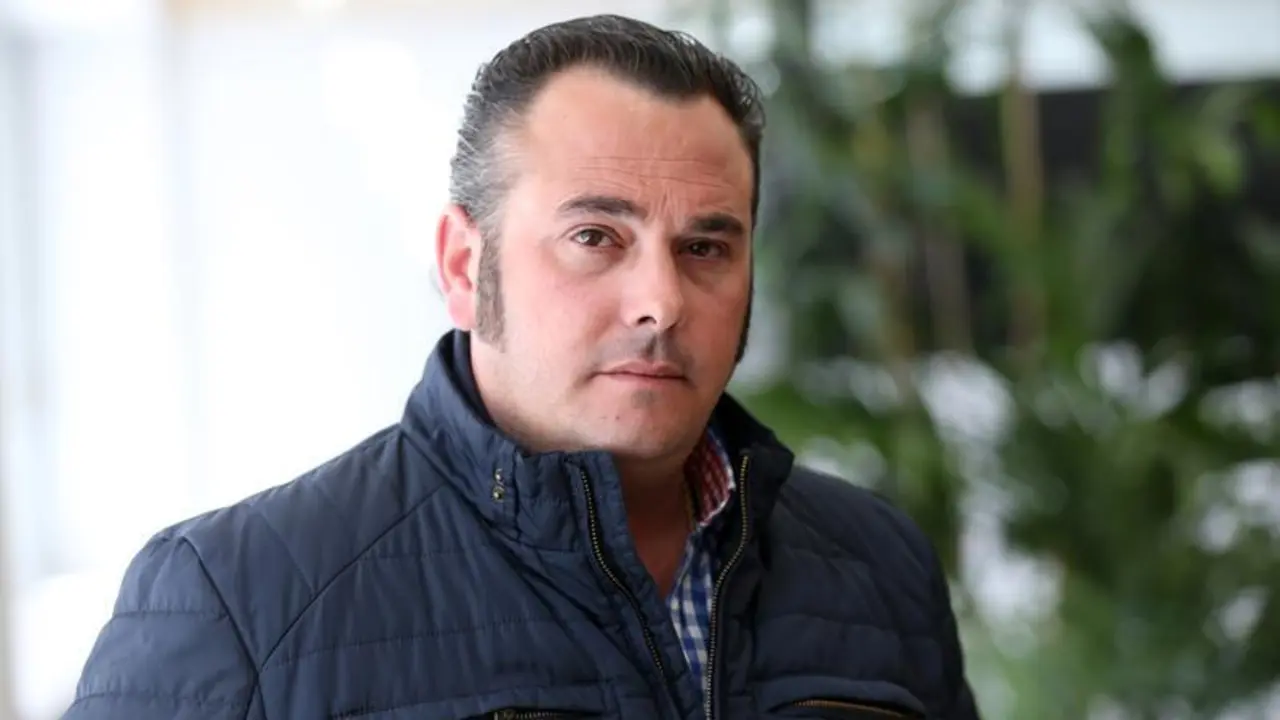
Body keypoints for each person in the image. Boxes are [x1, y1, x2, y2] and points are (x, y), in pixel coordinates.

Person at [65, 13, 979, 720]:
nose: (660, 301)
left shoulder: (878, 563)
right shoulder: (235, 598)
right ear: (465, 266)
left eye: (705, 247)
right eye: (595, 237)